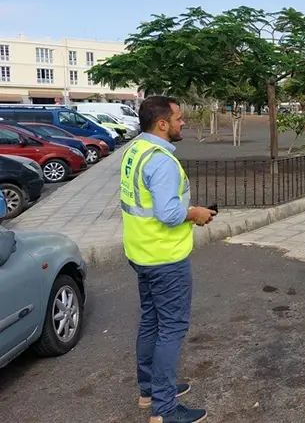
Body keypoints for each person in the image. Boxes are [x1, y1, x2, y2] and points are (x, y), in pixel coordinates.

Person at [120, 95, 216, 423]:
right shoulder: (160, 160)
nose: (183, 122)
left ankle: (149, 391)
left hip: (141, 252)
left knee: (151, 321)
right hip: (164, 257)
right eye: (178, 118)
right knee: (171, 328)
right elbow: (168, 212)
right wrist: (196, 214)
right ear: (162, 124)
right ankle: (164, 408)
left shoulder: (135, 151)